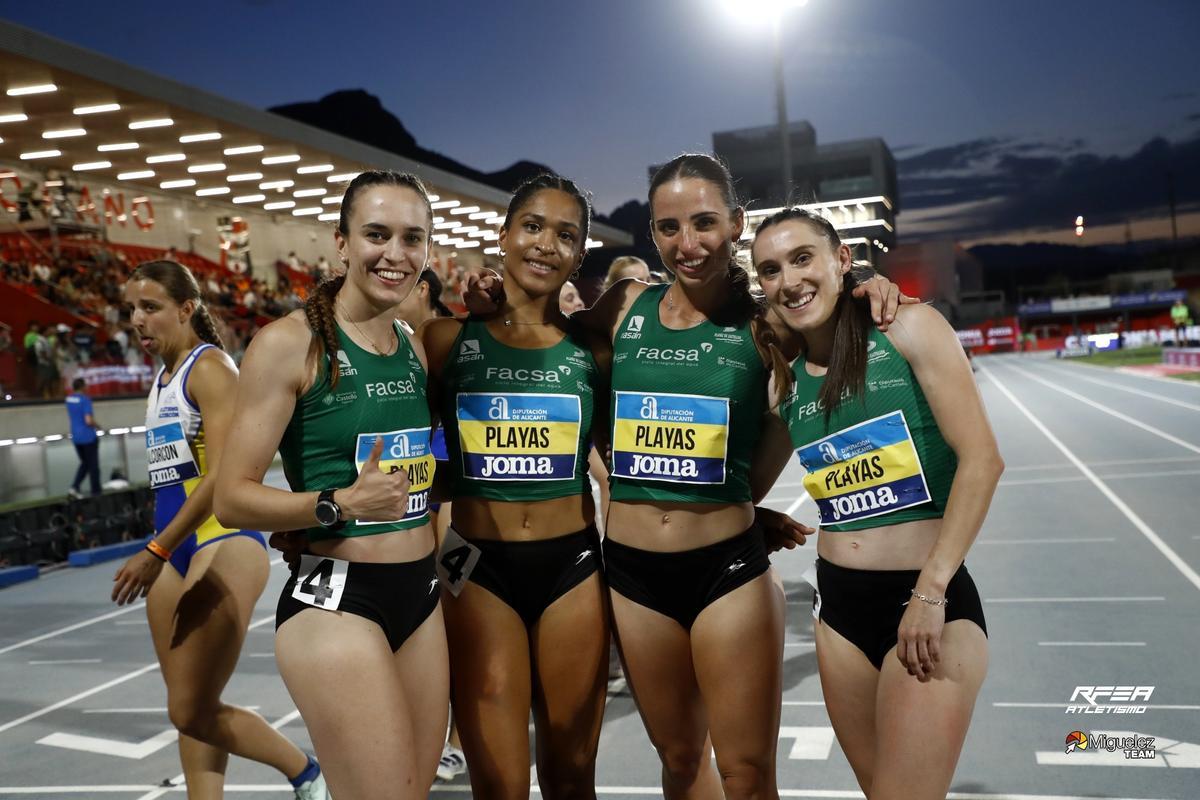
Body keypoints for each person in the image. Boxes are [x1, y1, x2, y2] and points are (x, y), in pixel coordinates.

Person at [464, 153, 907, 799]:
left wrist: (868, 282)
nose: (687, 244)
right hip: (634, 578)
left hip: (727, 571)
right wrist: (492, 293)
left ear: (735, 224)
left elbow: (831, 320)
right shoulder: (623, 307)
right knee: (678, 761)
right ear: (652, 233)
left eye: (704, 223)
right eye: (669, 228)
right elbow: (542, 337)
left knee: (747, 774)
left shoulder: (769, 322)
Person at [214, 170, 448, 800]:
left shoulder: (412, 345)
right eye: (376, 234)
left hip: (421, 595)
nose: (394, 254)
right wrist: (335, 503)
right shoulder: (290, 344)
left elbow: (420, 489)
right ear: (342, 242)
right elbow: (232, 497)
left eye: (411, 238)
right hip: (338, 602)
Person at [752, 207, 1000, 800]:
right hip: (837, 613)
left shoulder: (907, 329)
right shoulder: (785, 383)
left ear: (842, 260)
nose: (789, 280)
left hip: (926, 599)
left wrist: (930, 591)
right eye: (770, 269)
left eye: (803, 257)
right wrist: (753, 514)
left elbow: (983, 461)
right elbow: (745, 485)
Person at [108, 260, 328, 800]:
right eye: (132, 309)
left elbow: (223, 471)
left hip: (218, 542)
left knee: (188, 706)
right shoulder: (161, 380)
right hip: (171, 549)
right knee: (192, 709)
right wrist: (161, 547)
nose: (137, 319)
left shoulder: (209, 370)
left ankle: (305, 771)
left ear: (186, 309)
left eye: (151, 308)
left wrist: (158, 548)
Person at [422, 174, 610, 798]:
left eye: (566, 235)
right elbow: (380, 430)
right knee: (497, 781)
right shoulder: (445, 340)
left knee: (570, 773)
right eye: (532, 226)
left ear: (580, 255)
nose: (546, 245)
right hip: (473, 564)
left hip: (572, 565)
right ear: (502, 237)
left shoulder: (595, 349)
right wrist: (320, 514)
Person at [65, 377, 100, 497]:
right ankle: (96, 492)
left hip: (76, 437)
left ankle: (74, 487)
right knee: (93, 466)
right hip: (88, 437)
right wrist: (98, 426)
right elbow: (88, 420)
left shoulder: (68, 399)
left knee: (85, 463)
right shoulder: (85, 400)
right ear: (82, 387)